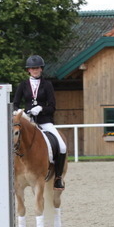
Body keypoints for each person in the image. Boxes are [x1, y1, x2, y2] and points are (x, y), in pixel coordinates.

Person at [13, 55, 68, 189]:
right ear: (28, 70)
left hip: (44, 122)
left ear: (41, 69)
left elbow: (52, 106)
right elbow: (15, 104)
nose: (35, 70)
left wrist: (41, 109)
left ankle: (58, 178)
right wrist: (20, 111)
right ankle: (13, 174)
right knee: (14, 142)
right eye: (32, 68)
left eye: (37, 68)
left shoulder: (47, 85)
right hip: (28, 122)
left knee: (62, 146)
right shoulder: (23, 85)